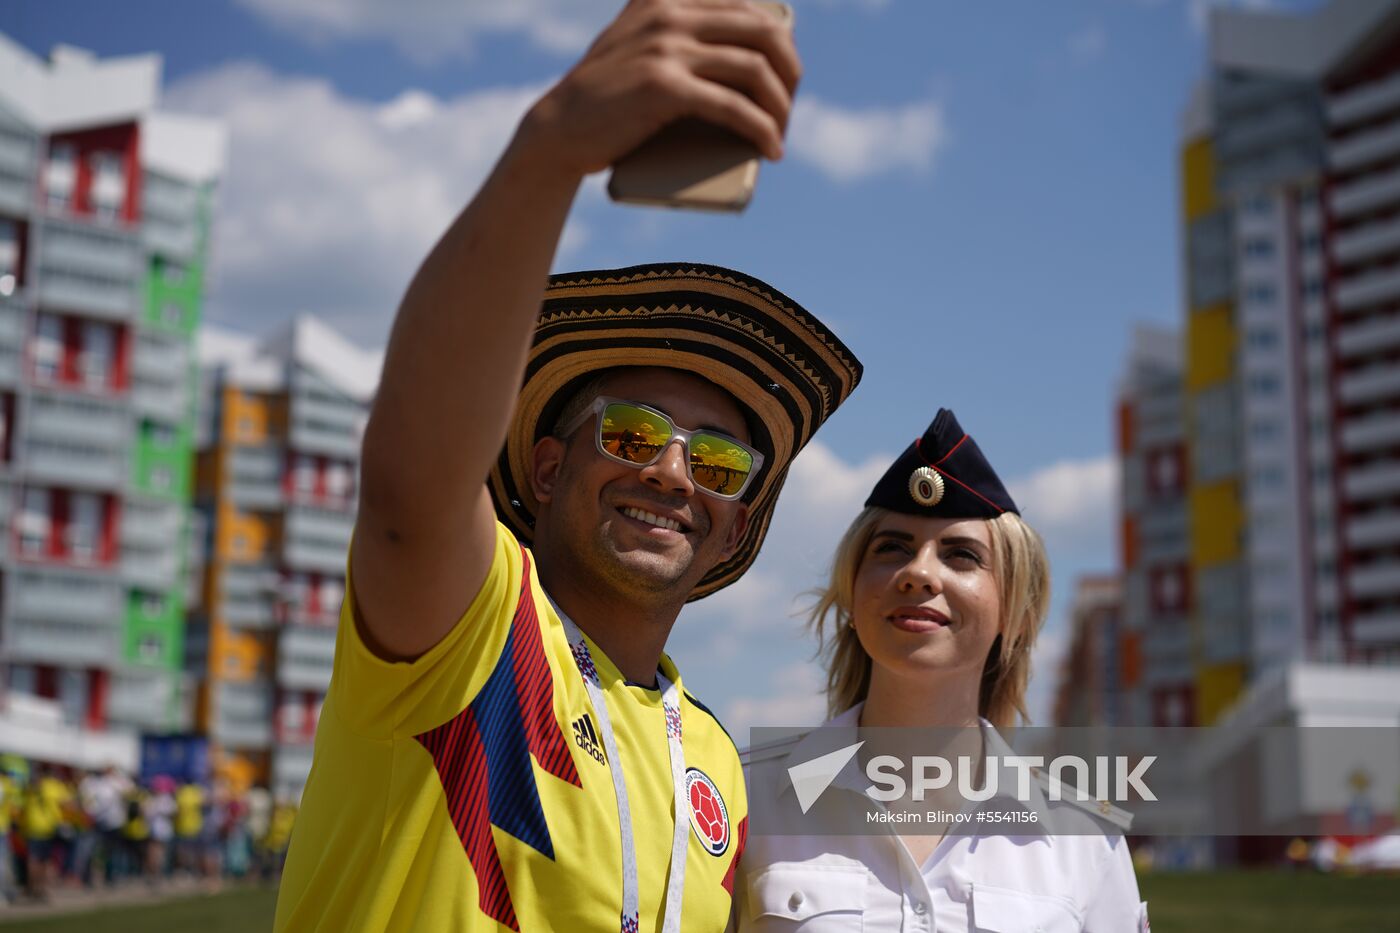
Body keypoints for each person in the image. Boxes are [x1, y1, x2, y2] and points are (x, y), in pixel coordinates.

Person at [273, 1, 863, 930]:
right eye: (632, 432)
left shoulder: (713, 758)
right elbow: (409, 493)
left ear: (737, 523)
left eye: (717, 459)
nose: (674, 472)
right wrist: (550, 152)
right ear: (546, 470)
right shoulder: (473, 636)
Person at [737, 410, 1148, 932]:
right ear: (852, 591)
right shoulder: (745, 794)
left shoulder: (1083, 837)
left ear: (1016, 614)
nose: (918, 572)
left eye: (960, 555)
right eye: (892, 548)